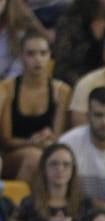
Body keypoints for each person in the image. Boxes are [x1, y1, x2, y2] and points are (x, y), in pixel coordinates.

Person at [0, 29, 70, 184]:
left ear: (50, 56)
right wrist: (31, 143)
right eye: (31, 54)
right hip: (13, 155)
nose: (38, 59)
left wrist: (47, 139)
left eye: (43, 53)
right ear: (21, 56)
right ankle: (23, 205)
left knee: (50, 158)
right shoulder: (7, 89)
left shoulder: (61, 91)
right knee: (34, 157)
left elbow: (58, 137)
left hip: (48, 150)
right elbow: (6, 140)